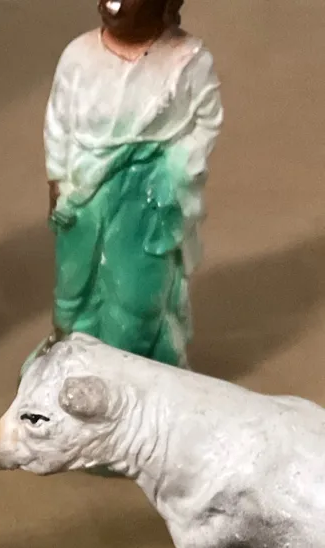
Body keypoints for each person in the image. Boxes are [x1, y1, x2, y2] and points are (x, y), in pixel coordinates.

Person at [43, 0, 223, 368]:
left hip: (148, 200)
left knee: (138, 294)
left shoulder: (188, 61)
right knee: (76, 284)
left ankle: (135, 367)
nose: (112, 3)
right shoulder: (78, 57)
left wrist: (172, 170)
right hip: (85, 195)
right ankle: (73, 359)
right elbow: (58, 123)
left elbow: (207, 121)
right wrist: (58, 178)